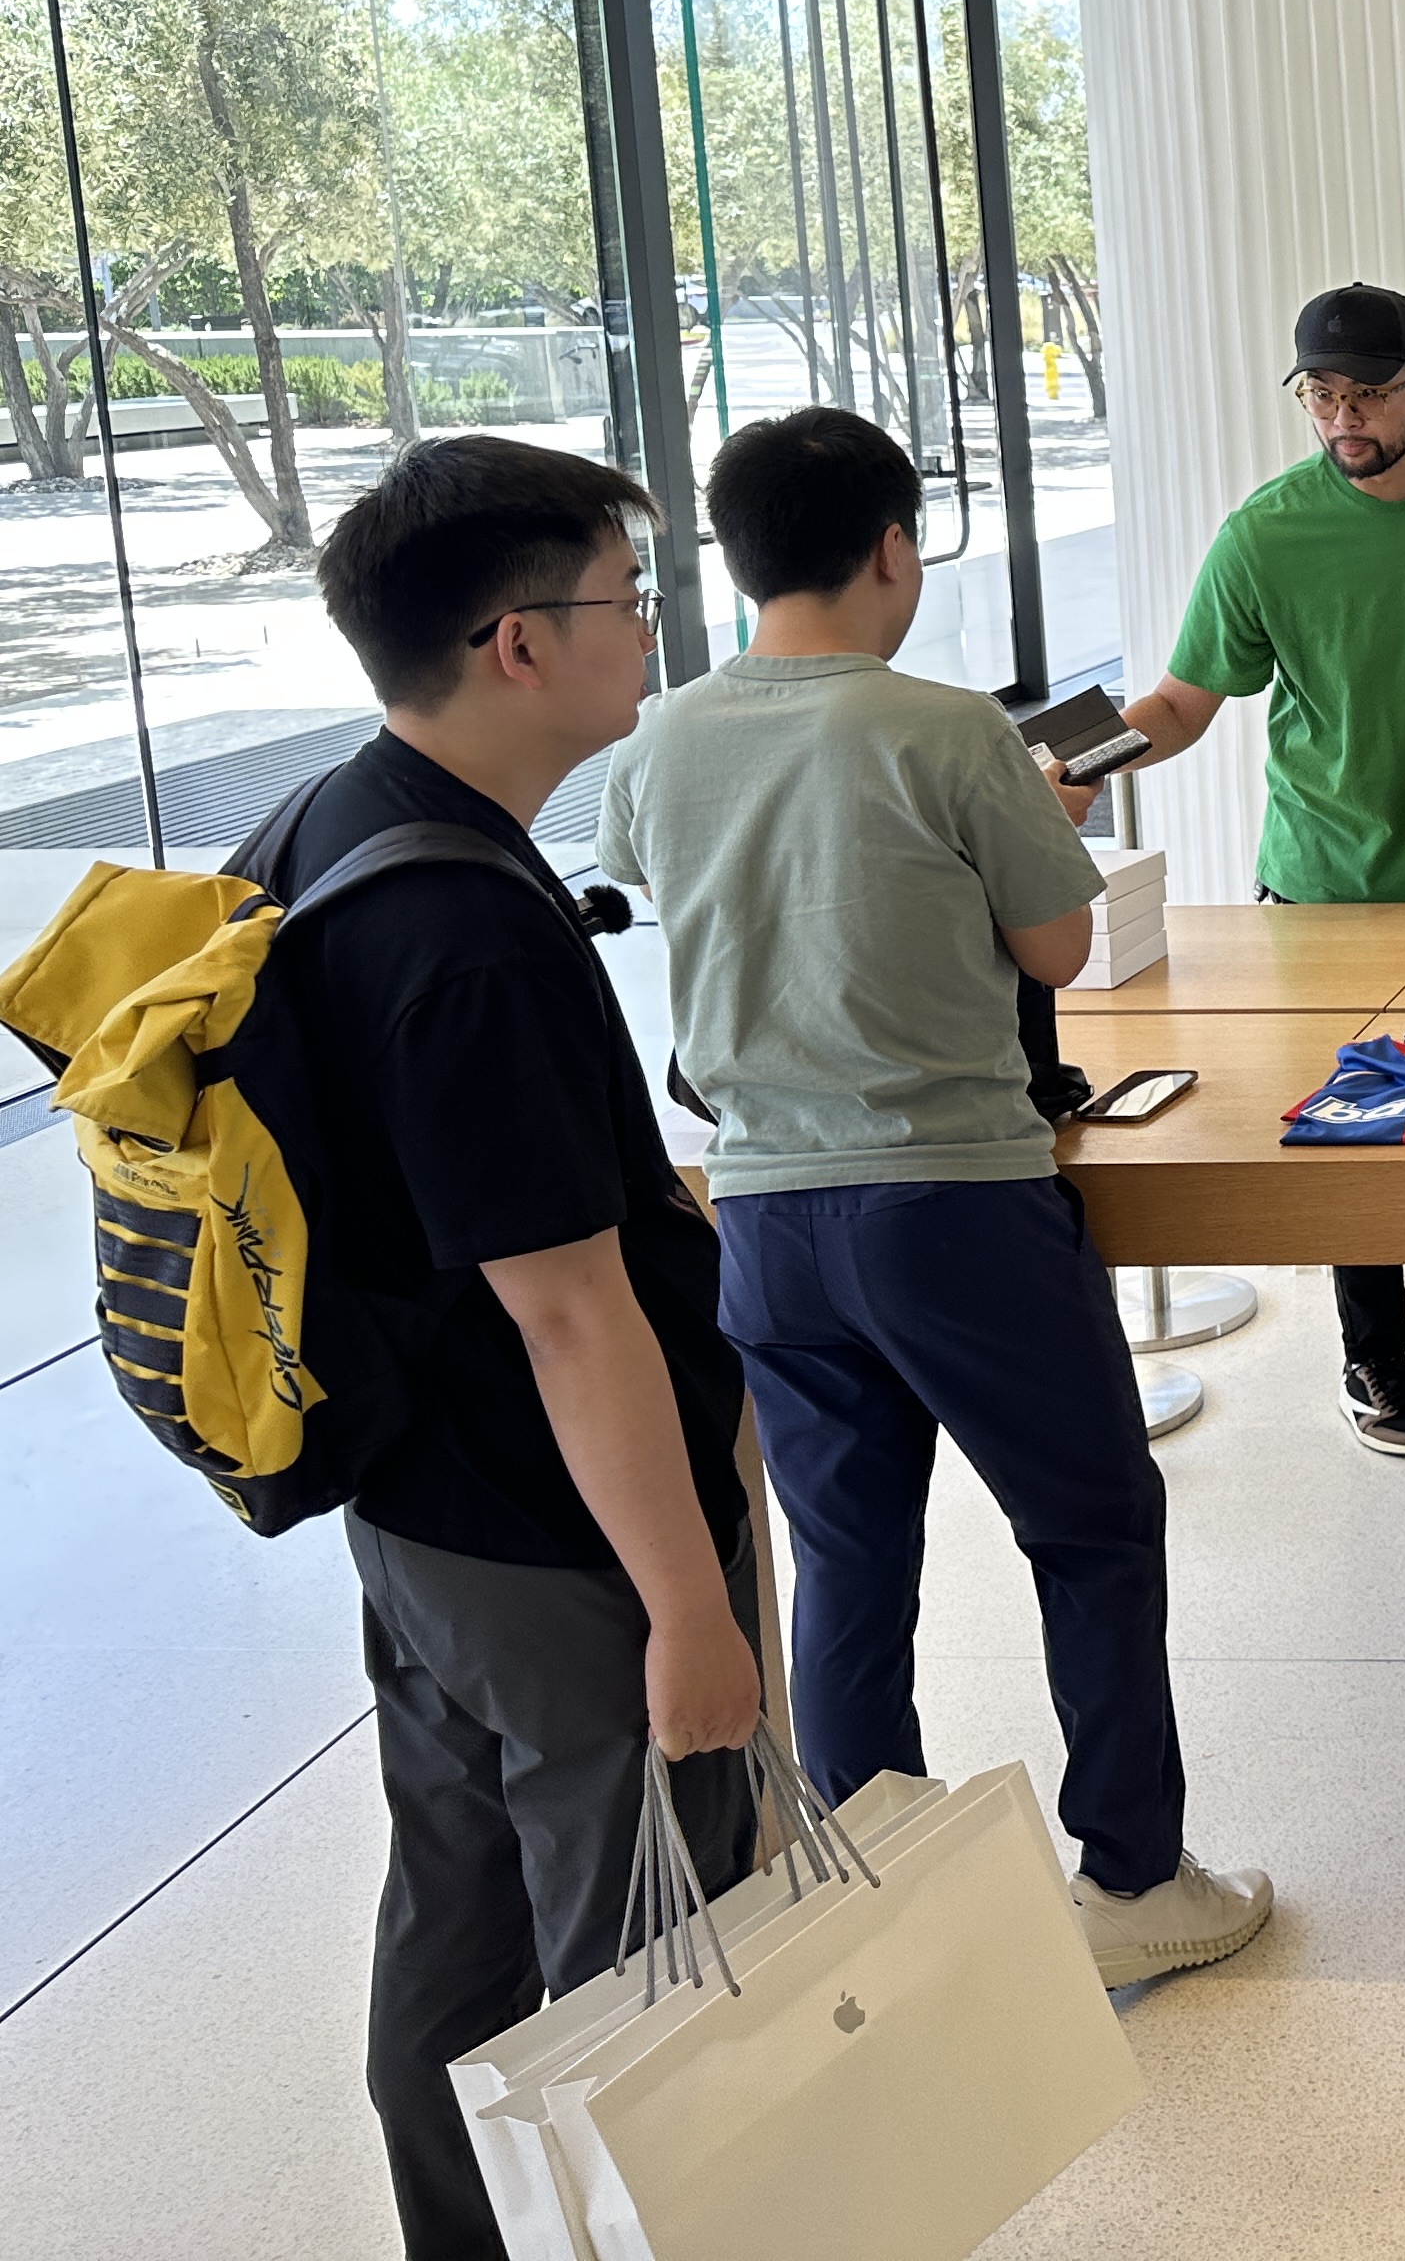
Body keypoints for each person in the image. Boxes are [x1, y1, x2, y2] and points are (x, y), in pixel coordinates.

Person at [600, 407, 1270, 1988]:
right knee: (1091, 1529)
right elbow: (1054, 950)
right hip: (952, 1203)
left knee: (848, 1563)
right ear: (895, 549)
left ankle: (880, 1895)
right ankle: (1130, 1879)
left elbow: (669, 890)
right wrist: (1038, 830)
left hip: (760, 1212)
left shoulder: (660, 741)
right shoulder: (945, 726)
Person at [293, 438, 761, 2259]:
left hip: (422, 1508)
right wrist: (690, 1607)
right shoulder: (461, 932)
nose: (648, 634)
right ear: (513, 641)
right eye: (626, 600)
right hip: (562, 1530)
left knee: (459, 1919)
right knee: (640, 1952)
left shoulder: (340, 822)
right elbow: (568, 1312)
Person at [1101, 281, 1405, 1455]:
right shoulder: (1265, 532)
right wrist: (1085, 759)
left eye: (1366, 395)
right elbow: (1181, 700)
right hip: (1322, 888)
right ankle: (1372, 1356)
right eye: (1320, 396)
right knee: (1361, 1134)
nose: (1341, 420)